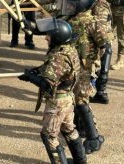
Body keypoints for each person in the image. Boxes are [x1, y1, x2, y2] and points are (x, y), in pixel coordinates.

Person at [18, 19, 87, 164]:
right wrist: (36, 71)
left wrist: (30, 77)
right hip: (67, 99)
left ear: (57, 37)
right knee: (69, 130)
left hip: (58, 103)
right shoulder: (69, 49)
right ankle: (81, 162)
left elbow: (48, 84)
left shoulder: (59, 57)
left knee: (49, 136)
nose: (46, 37)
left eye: (49, 35)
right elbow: (52, 70)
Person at [61, 0, 109, 153]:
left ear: (79, 5)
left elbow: (105, 45)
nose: (67, 7)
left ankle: (94, 137)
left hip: (84, 68)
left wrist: (101, 71)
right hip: (71, 67)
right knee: (74, 99)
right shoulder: (70, 20)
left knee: (81, 101)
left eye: (70, 5)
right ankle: (80, 128)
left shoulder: (92, 22)